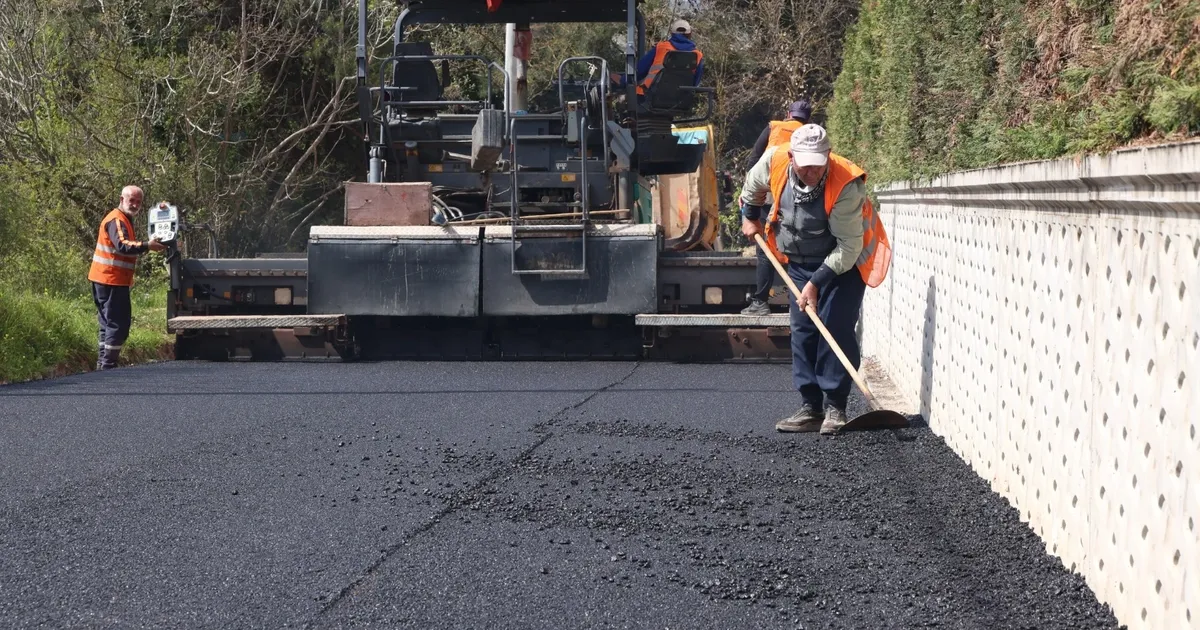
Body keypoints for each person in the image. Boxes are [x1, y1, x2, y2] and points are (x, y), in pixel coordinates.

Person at [739, 124, 890, 435]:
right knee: (803, 331)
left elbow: (849, 247)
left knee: (834, 324)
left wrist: (816, 282)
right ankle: (811, 407)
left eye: (818, 165)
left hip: (844, 263)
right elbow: (751, 188)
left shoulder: (844, 184)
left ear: (828, 157)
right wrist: (749, 216)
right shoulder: (774, 161)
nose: (812, 173)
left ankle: (836, 406)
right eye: (805, 165)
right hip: (798, 260)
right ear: (792, 157)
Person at [740, 98, 813, 316]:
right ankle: (804, 301)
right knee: (799, 248)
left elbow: (753, 162)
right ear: (807, 119)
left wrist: (748, 195)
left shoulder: (774, 127)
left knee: (765, 250)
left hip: (768, 197)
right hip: (801, 199)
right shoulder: (811, 133)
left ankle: (761, 302)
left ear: (788, 114)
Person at [87, 185, 165, 370]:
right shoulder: (116, 219)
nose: (135, 204)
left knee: (107, 324)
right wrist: (147, 245)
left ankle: (102, 364)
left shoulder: (124, 219)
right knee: (117, 325)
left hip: (108, 279)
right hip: (110, 280)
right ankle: (108, 365)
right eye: (132, 200)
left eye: (138, 201)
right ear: (122, 199)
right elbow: (122, 245)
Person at [610, 19, 704, 98]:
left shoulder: (661, 48)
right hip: (679, 101)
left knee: (624, 101)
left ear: (672, 33)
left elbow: (639, 71)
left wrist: (622, 81)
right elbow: (695, 84)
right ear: (690, 34)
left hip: (649, 99)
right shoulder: (698, 55)